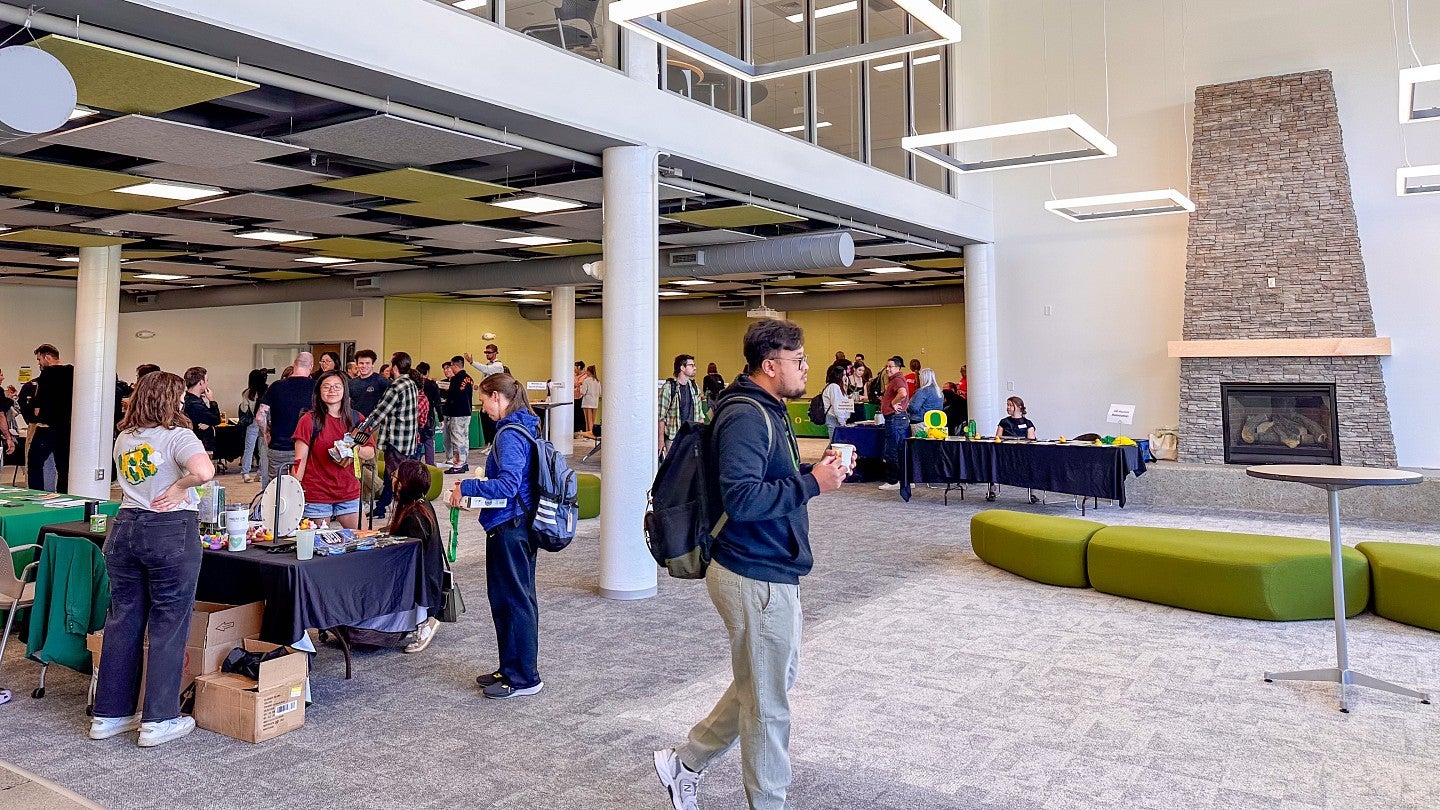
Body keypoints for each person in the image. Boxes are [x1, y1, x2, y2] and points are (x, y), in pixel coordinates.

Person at [654, 319, 847, 810]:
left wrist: (813, 471)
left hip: (770, 569)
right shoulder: (745, 415)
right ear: (770, 365)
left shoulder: (769, 408)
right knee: (768, 707)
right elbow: (741, 498)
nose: (806, 368)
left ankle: (685, 761)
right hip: (751, 572)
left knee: (763, 685)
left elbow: (766, 479)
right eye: (798, 360)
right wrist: (812, 486)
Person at [90, 371, 215, 748]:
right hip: (169, 530)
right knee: (168, 624)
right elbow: (204, 472)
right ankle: (158, 720)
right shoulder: (179, 435)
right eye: (177, 397)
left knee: (123, 621)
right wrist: (179, 487)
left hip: (125, 528)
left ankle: (109, 715)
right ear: (169, 400)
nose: (181, 403)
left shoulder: (125, 437)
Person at [448, 373, 544, 700]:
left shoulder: (510, 435)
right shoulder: (522, 427)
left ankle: (524, 678)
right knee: (507, 599)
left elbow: (507, 486)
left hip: (511, 526)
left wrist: (468, 486)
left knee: (515, 600)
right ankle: (510, 667)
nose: (483, 408)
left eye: (484, 400)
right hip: (513, 525)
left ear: (498, 398)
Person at [293, 370, 375, 529]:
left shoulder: (356, 419)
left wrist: (352, 449)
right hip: (317, 494)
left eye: (337, 387)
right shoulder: (309, 421)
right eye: (326, 387)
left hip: (348, 491)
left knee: (362, 541)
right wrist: (293, 490)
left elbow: (370, 451)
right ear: (319, 392)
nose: (332, 391)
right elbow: (299, 460)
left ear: (345, 391)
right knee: (318, 546)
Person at [352, 352, 420, 520]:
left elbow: (379, 413)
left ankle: (403, 513)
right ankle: (382, 507)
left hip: (396, 440)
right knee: (396, 476)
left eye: (390, 365)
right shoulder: (411, 383)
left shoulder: (396, 386)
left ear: (395, 368)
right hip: (408, 440)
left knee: (397, 477)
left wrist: (359, 432)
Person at [256, 351, 315, 487]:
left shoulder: (276, 386)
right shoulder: (316, 388)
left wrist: (266, 433)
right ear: (311, 366)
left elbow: (260, 416)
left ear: (294, 364)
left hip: (279, 447)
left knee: (277, 490)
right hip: (307, 448)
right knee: (303, 489)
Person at [28, 344, 73, 493]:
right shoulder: (73, 372)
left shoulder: (47, 374)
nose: (39, 363)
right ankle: (63, 497)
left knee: (34, 462)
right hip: (67, 428)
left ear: (47, 357)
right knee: (64, 466)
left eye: (39, 359)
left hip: (47, 427)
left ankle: (36, 495)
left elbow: (37, 407)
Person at [658, 354, 708, 456]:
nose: (695, 368)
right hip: (673, 438)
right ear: (682, 368)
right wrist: (660, 440)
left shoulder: (694, 387)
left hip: (691, 438)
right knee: (673, 470)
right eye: (691, 365)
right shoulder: (668, 388)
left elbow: (699, 415)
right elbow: (661, 417)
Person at [877, 356, 910, 492]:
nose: (887, 369)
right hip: (898, 419)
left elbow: (902, 393)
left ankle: (893, 480)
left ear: (898, 368)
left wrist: (892, 402)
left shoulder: (897, 380)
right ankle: (905, 479)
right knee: (899, 449)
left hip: (895, 419)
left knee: (893, 450)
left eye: (890, 366)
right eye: (886, 366)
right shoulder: (896, 380)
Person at [442, 355, 474, 473]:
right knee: (464, 439)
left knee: (456, 440)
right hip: (467, 412)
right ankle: (464, 462)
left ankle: (458, 465)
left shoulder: (456, 379)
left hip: (456, 413)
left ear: (455, 366)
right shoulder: (469, 378)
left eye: (451, 366)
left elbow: (452, 397)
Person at [237, 369, 269, 484]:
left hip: (252, 423)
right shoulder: (268, 390)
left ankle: (246, 473)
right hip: (265, 423)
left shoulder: (247, 393)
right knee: (263, 449)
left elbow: (244, 409)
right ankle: (260, 473)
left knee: (249, 448)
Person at [181, 366, 220, 454]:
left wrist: (208, 423)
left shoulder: (187, 399)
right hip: (199, 447)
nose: (207, 383)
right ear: (201, 382)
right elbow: (216, 419)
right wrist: (212, 400)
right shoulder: (195, 404)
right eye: (206, 381)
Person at [415, 361, 442, 466]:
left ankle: (415, 466)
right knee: (429, 442)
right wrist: (440, 417)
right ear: (427, 372)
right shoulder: (432, 384)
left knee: (416, 442)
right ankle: (430, 466)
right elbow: (437, 402)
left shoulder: (414, 384)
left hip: (416, 416)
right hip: (429, 416)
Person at [348, 349, 390, 417]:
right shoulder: (351, 383)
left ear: (372, 364)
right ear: (357, 365)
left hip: (375, 423)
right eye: (361, 363)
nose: (364, 366)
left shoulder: (382, 381)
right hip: (355, 421)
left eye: (367, 363)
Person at [819, 363, 851, 440]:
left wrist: (845, 386)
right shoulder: (834, 387)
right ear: (838, 376)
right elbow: (837, 405)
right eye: (843, 375)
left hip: (838, 419)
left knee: (835, 444)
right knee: (834, 444)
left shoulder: (839, 387)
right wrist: (842, 421)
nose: (845, 377)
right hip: (834, 419)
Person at [579, 365, 601, 439]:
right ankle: (593, 434)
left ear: (589, 372)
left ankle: (589, 435)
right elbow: (600, 393)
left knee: (588, 420)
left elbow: (583, 392)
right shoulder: (597, 381)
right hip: (595, 402)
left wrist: (580, 386)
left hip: (587, 402)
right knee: (593, 419)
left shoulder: (586, 381)